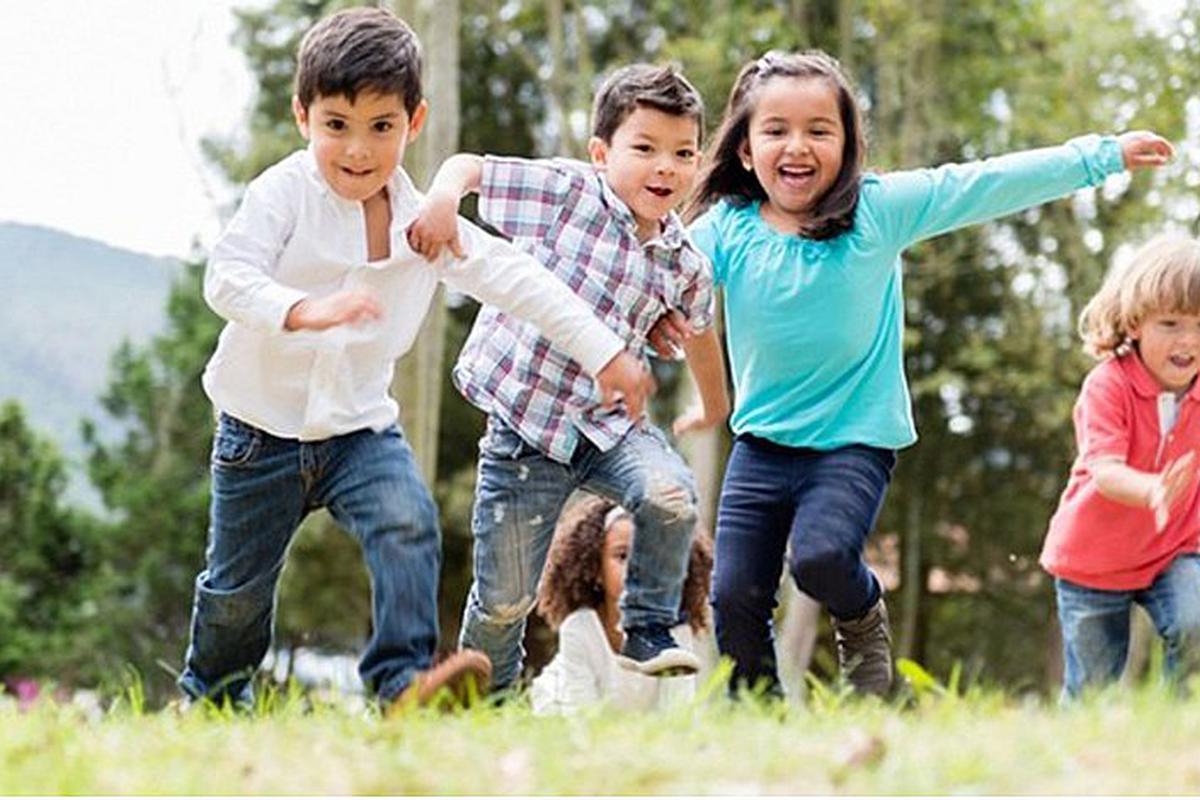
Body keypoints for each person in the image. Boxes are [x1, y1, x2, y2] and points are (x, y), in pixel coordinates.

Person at [178, 6, 652, 711]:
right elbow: (229, 276)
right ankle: (212, 696)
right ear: (303, 116)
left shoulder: (422, 224)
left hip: (358, 430)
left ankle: (401, 685)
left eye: (381, 127)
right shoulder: (283, 193)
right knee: (237, 590)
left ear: (415, 121)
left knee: (408, 520)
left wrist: (605, 351)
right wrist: (304, 309)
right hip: (259, 434)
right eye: (336, 125)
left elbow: (520, 280)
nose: (358, 151)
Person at [677, 49, 1172, 698]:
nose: (797, 146)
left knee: (823, 558)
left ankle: (862, 616)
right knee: (735, 594)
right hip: (761, 445)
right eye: (776, 130)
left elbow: (985, 182)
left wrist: (1100, 155)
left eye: (819, 130)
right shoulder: (725, 232)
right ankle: (758, 713)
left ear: (848, 144)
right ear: (745, 150)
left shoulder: (878, 211)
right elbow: (658, 279)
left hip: (853, 441)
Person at [407, 62, 729, 691]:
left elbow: (700, 334)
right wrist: (442, 201)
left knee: (671, 495)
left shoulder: (684, 260)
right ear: (602, 152)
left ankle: (646, 624)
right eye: (645, 149)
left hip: (611, 428)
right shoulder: (568, 192)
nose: (665, 167)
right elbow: (470, 167)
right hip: (526, 432)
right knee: (505, 599)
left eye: (683, 153)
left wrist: (714, 406)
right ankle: (483, 703)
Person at [1042, 235, 1200, 699]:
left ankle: (1179, 728)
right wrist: (1152, 490)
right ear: (1135, 324)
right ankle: (1087, 761)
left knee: (1196, 626)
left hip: (1175, 548)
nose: (1187, 339)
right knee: (1093, 689)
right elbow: (1105, 471)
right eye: (1170, 323)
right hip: (1093, 561)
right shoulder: (1107, 387)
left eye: (1199, 324)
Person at [531, 496, 713, 715]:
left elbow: (677, 715)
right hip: (562, 709)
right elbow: (580, 715)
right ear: (596, 569)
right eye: (623, 556)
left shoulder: (676, 632)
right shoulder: (580, 628)